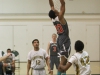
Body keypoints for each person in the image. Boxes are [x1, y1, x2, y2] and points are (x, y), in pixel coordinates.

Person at [48, 0, 71, 75]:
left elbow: (51, 5)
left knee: (63, 63)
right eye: (54, 10)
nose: (55, 9)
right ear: (55, 13)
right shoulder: (60, 17)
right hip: (64, 39)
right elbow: (63, 3)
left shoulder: (53, 19)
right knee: (62, 63)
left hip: (59, 39)